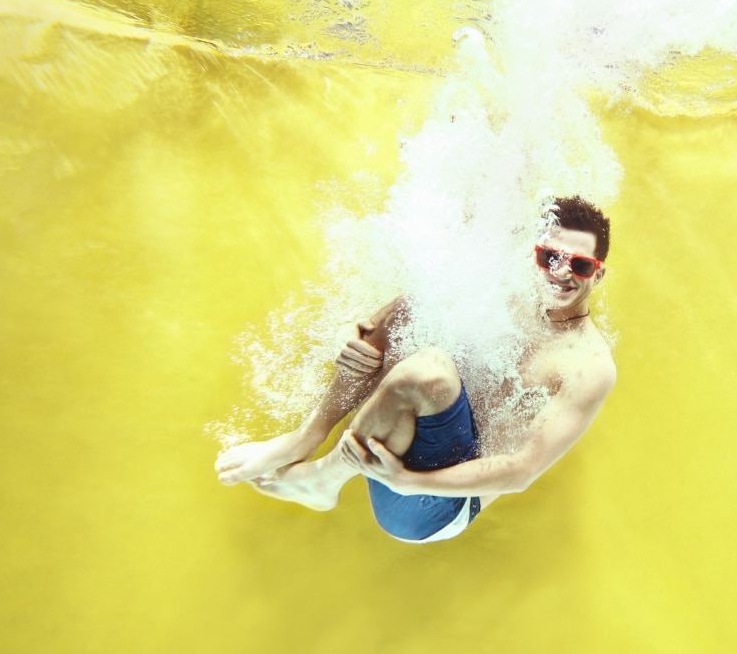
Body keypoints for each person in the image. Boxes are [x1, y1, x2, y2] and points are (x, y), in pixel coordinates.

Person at [214, 196, 617, 543]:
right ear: (536, 255)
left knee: (430, 370)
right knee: (417, 307)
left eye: (579, 265)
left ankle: (323, 479)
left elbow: (520, 471)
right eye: (551, 257)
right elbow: (408, 306)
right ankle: (307, 435)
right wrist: (354, 329)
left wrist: (409, 483)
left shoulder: (588, 365)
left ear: (597, 273)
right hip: (412, 444)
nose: (561, 272)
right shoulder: (503, 293)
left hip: (434, 508)